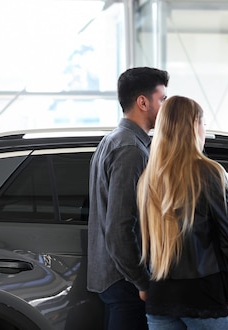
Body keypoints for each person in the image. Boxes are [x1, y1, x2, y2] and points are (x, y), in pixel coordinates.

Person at [137, 95, 228, 330]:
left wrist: (144, 284)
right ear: (194, 125)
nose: (204, 129)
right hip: (203, 294)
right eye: (203, 123)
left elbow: (140, 240)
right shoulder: (209, 172)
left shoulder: (148, 179)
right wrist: (227, 289)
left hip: (160, 297)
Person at [87, 67, 169, 330]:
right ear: (143, 102)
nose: (165, 107)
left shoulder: (112, 141)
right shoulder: (131, 150)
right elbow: (120, 226)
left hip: (113, 277)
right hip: (125, 281)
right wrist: (142, 282)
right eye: (162, 100)